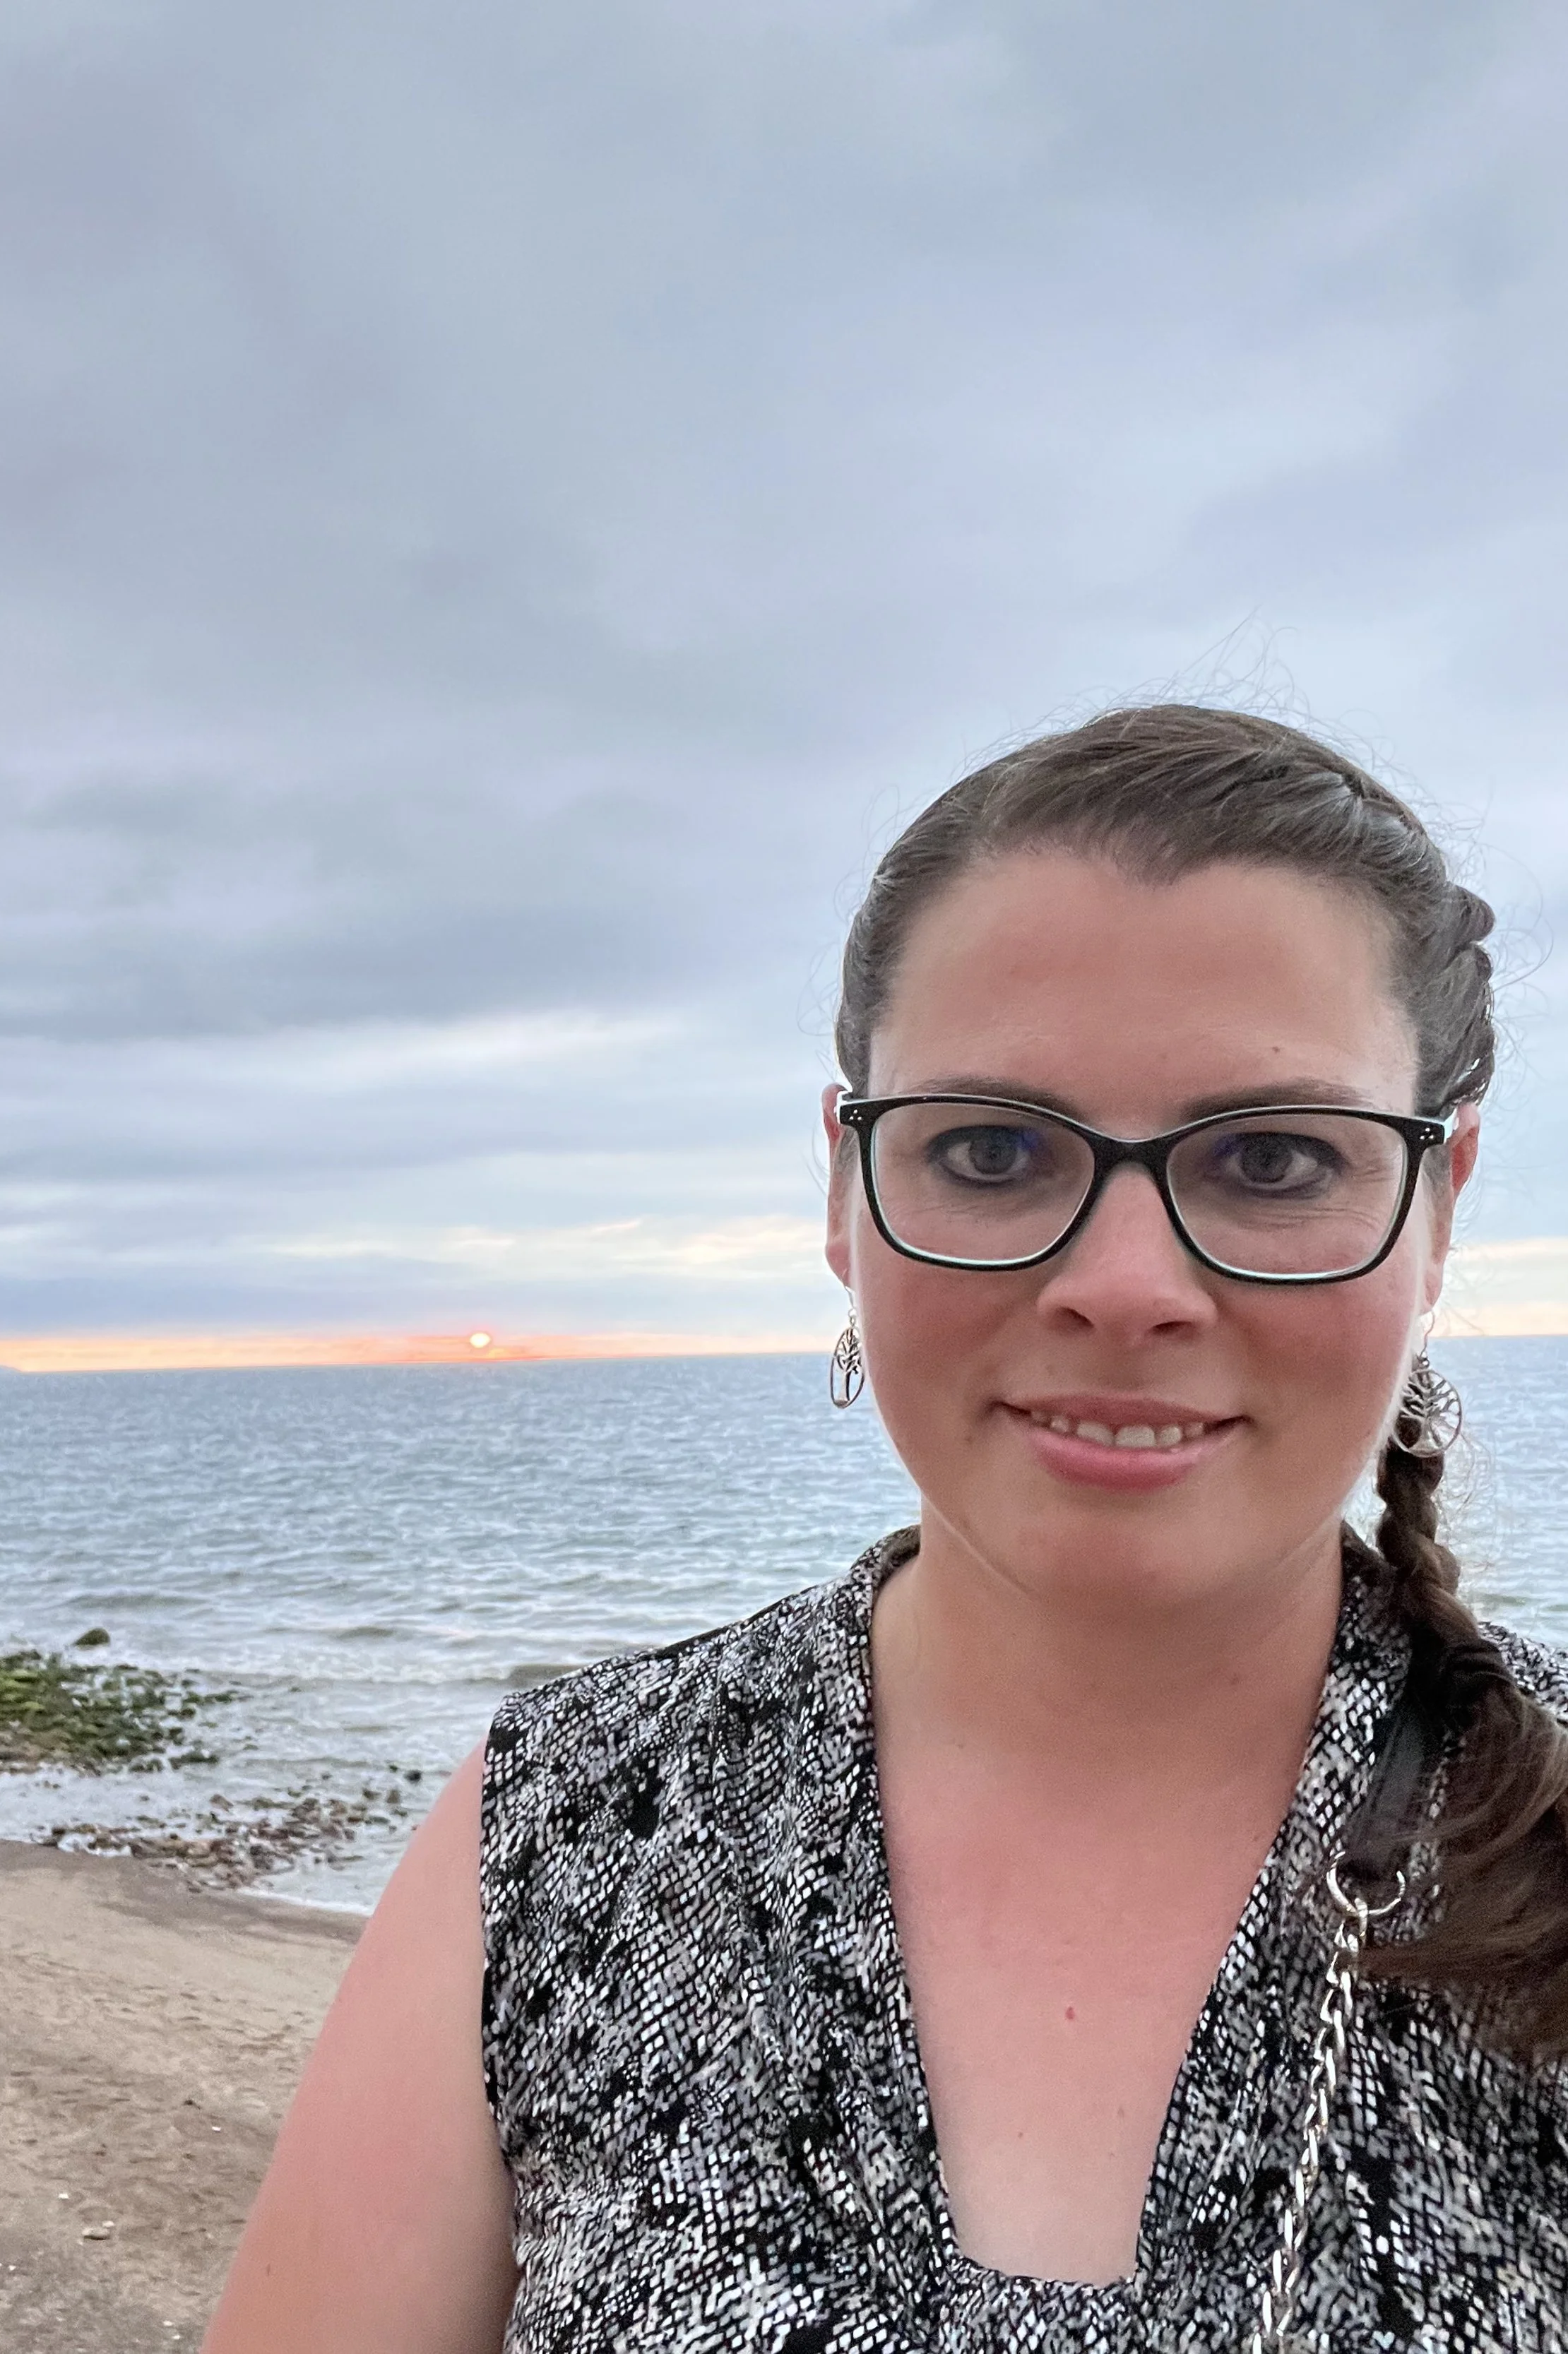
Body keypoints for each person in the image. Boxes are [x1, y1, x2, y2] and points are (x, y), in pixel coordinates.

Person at [203, 706, 1568, 2354]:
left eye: (1270, 1159)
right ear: (845, 1194)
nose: (1122, 1284)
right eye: (992, 1150)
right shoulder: (570, 1832)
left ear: (1436, 1206)